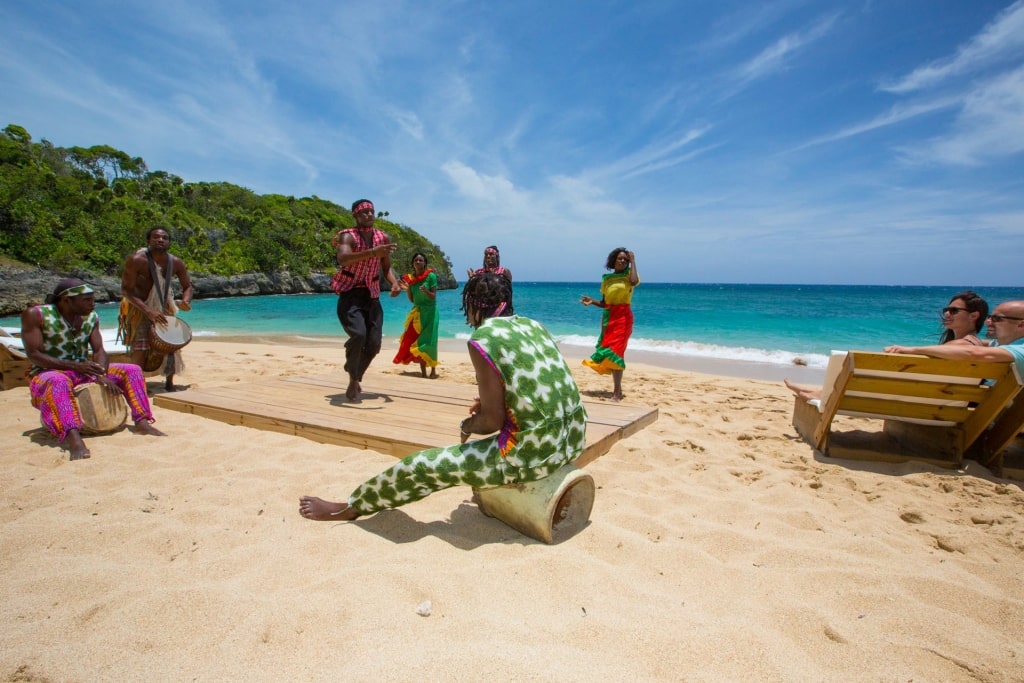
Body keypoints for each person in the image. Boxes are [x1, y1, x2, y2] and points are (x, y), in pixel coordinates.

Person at [299, 272, 587, 522]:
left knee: (423, 466)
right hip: (573, 439)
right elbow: (538, 383)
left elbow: (491, 421)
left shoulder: (483, 338)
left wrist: (468, 426)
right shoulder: (534, 325)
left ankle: (351, 507)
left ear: (472, 306)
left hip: (533, 454)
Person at [22, 278, 165, 461]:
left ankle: (142, 422)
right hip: (46, 372)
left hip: (84, 370)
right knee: (58, 381)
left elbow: (99, 351)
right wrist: (75, 366)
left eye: (93, 299)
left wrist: (101, 374)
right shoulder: (36, 315)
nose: (93, 304)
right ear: (67, 300)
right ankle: (74, 439)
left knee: (132, 370)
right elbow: (34, 355)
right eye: (87, 300)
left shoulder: (91, 317)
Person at [785, 291, 991, 401]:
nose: (947, 314)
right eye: (947, 309)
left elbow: (966, 351)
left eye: (954, 311)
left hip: (921, 401)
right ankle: (818, 391)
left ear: (974, 316)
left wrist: (912, 349)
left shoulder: (966, 346)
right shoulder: (977, 343)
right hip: (938, 400)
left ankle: (821, 394)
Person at [332, 198, 402, 401]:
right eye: (364, 212)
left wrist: (394, 283)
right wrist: (372, 252)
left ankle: (354, 376)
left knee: (374, 344)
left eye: (371, 211)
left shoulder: (382, 237)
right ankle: (353, 377)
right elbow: (343, 259)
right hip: (350, 294)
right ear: (355, 215)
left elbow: (386, 266)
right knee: (359, 335)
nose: (369, 215)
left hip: (372, 295)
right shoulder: (348, 236)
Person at [118, 226, 194, 391]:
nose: (160, 240)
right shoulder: (137, 260)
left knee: (171, 343)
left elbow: (187, 286)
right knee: (140, 345)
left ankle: (169, 382)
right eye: (156, 237)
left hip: (163, 304)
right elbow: (126, 290)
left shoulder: (175, 262)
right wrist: (148, 311)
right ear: (148, 240)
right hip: (139, 305)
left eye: (164, 238)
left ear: (169, 242)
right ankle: (135, 385)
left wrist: (186, 301)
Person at [885, 300, 1024, 375]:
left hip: (988, 416)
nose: (988, 322)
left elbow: (973, 353)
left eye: (997, 319)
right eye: (989, 317)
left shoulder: (1020, 350)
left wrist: (912, 350)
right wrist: (970, 340)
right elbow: (981, 345)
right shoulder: (999, 345)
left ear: (1021, 324)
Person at [580, 247, 640, 402]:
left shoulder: (629, 276)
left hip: (623, 318)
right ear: (613, 261)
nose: (622, 261)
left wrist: (633, 261)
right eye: (620, 258)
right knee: (609, 351)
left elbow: (634, 281)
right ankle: (617, 391)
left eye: (625, 260)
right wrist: (592, 301)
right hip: (608, 317)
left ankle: (617, 393)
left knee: (617, 353)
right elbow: (604, 303)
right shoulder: (607, 279)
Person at [393, 252, 440, 378]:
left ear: (425, 263)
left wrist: (426, 291)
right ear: (413, 263)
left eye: (420, 260)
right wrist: (408, 290)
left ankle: (433, 370)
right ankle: (423, 372)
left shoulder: (431, 276)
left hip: (430, 313)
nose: (418, 262)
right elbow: (413, 300)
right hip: (417, 313)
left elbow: (433, 297)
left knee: (430, 341)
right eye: (416, 260)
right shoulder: (411, 280)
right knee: (415, 341)